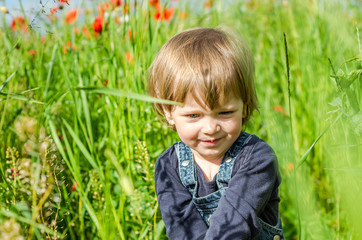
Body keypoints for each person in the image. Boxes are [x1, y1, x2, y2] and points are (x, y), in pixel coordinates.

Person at [148, 27, 284, 240]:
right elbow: (183, 230)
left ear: (245, 107)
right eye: (194, 115)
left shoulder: (257, 158)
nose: (210, 128)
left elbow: (232, 225)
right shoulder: (168, 166)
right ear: (168, 112)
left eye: (225, 112)